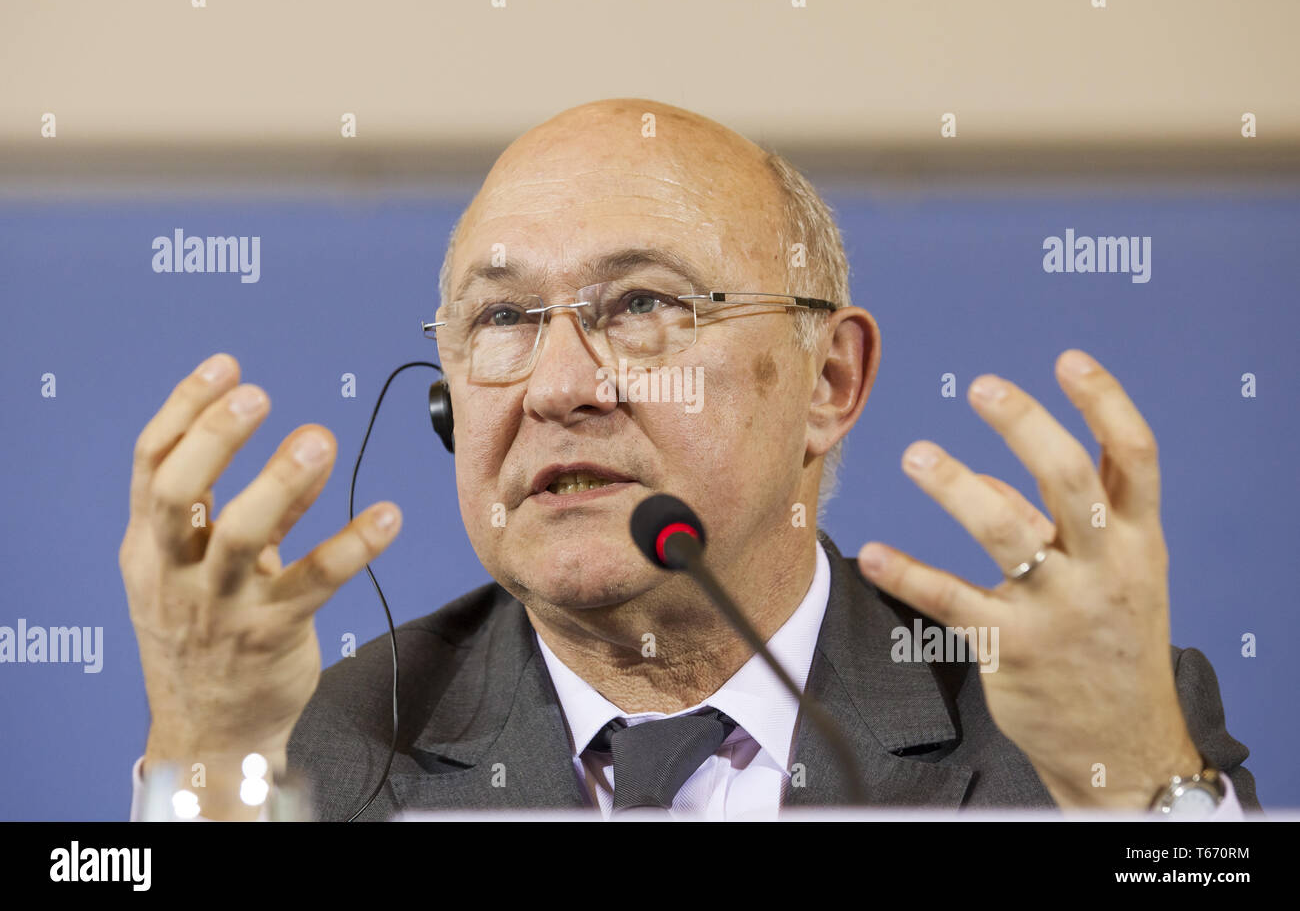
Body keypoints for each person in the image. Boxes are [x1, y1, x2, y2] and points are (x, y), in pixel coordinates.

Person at [122, 98, 1258, 820]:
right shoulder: (329, 742)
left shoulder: (1066, 719)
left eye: (644, 304)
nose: (561, 386)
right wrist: (204, 761)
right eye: (504, 320)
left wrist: (1146, 795)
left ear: (828, 383)